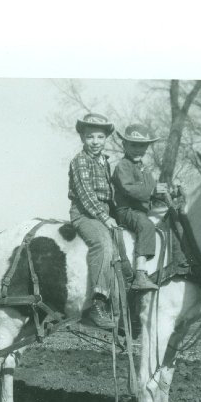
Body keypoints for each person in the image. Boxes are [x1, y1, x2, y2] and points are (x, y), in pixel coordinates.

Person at [68, 112, 116, 330]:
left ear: (106, 139)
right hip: (85, 214)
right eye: (90, 137)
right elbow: (86, 195)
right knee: (102, 242)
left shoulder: (105, 162)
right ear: (82, 139)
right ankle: (96, 304)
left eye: (99, 137)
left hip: (103, 212)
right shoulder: (79, 161)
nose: (95, 142)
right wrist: (105, 218)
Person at [112, 123, 167, 291]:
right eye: (133, 145)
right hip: (126, 211)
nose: (138, 149)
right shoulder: (123, 166)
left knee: (170, 218)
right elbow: (128, 188)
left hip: (142, 210)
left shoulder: (144, 168)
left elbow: (153, 189)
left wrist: (168, 190)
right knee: (146, 225)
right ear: (124, 145)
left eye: (142, 146)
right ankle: (140, 273)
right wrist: (153, 190)